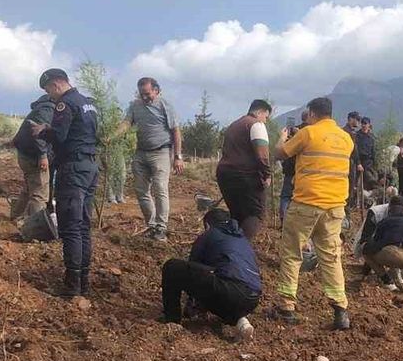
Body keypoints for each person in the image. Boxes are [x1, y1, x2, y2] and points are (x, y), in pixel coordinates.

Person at [274, 96, 355, 330]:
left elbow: (281, 153)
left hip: (306, 204)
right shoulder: (346, 139)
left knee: (292, 253)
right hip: (335, 207)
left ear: (311, 113)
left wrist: (281, 138)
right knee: (331, 257)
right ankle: (340, 310)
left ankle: (286, 307)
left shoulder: (308, 133)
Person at [31, 69, 99, 298]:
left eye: (48, 90)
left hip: (73, 170)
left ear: (57, 84)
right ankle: (84, 282)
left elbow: (59, 136)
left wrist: (43, 131)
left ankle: (72, 288)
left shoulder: (65, 104)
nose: (50, 96)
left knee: (70, 227)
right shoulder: (88, 103)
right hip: (90, 167)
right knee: (83, 227)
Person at [159, 208, 261, 340]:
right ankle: (240, 320)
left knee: (172, 267)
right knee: (221, 290)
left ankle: (172, 320)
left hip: (230, 290)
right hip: (252, 299)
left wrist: (191, 305)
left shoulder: (209, 234)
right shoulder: (242, 239)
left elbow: (192, 271)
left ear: (207, 225)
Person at [115, 78, 182, 240]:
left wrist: (178, 157)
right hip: (141, 153)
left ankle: (161, 226)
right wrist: (114, 135)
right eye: (141, 94)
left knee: (160, 188)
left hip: (161, 152)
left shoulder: (165, 105)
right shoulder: (135, 105)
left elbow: (176, 131)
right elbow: (126, 122)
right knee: (141, 191)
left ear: (156, 91)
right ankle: (152, 226)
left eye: (147, 94)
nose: (144, 97)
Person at [215, 99, 273, 239]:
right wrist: (267, 174)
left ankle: (228, 246)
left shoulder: (234, 125)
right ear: (260, 112)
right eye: (266, 117)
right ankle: (241, 248)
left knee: (237, 213)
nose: (265, 121)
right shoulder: (256, 125)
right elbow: (262, 154)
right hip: (246, 175)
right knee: (255, 213)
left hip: (225, 174)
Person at [10, 94, 55, 221]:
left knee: (29, 188)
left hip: (25, 155)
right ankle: (36, 226)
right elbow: (38, 134)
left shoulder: (38, 110)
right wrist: (43, 155)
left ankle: (15, 216)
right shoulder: (47, 110)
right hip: (34, 157)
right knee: (40, 194)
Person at [278, 111, 309, 226]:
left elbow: (284, 149)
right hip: (303, 172)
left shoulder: (294, 131)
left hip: (290, 169)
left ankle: (284, 222)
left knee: (286, 197)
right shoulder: (312, 133)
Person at [355, 117, 378, 194]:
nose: (364, 125)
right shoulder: (357, 136)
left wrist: (375, 164)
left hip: (369, 163)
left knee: (371, 181)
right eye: (363, 123)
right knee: (357, 183)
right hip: (359, 161)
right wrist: (358, 163)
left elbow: (373, 151)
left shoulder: (371, 137)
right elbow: (355, 150)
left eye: (365, 123)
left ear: (369, 125)